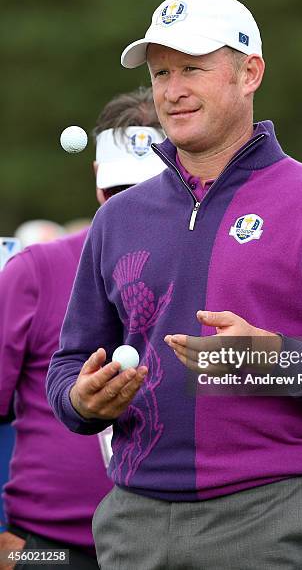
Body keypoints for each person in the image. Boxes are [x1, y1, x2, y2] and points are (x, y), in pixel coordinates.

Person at [47, 0, 302, 569]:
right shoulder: (118, 218)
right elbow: (67, 367)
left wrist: (271, 360)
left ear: (250, 73)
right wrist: (81, 400)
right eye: (161, 72)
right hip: (131, 522)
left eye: (193, 67)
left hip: (266, 521)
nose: (172, 89)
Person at [0, 86, 165, 570]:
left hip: (175, 544)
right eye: (118, 191)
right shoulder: (34, 269)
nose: (127, 207)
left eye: (147, 190)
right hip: (50, 553)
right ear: (97, 180)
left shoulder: (218, 266)